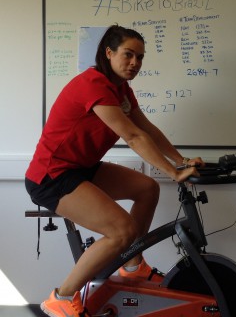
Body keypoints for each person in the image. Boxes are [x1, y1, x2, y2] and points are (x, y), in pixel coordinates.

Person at [25, 24, 203, 317]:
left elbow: (146, 129)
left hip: (82, 168)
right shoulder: (93, 84)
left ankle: (132, 267)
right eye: (128, 55)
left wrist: (181, 161)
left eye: (140, 57)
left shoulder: (121, 89)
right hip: (51, 176)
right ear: (109, 53)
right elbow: (132, 136)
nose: (135, 63)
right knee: (122, 231)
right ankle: (62, 298)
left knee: (147, 188)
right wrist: (174, 172)